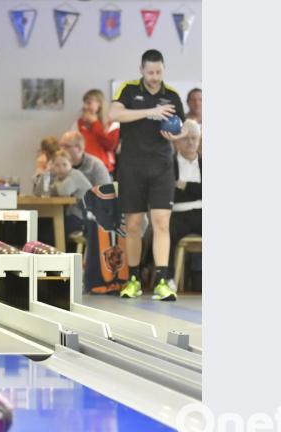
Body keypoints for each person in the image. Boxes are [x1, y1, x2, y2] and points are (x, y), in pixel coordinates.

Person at [109, 49, 187, 301]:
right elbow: (114, 114)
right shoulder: (128, 90)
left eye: (159, 72)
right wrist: (149, 111)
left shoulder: (172, 95)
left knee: (162, 223)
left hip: (162, 167)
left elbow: (183, 129)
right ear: (141, 70)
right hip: (132, 166)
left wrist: (176, 135)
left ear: (164, 69)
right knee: (133, 225)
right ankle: (133, 279)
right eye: (150, 72)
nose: (154, 77)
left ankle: (163, 281)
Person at [33, 150, 92, 251]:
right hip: (70, 215)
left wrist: (53, 185)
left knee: (51, 230)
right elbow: (39, 192)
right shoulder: (59, 178)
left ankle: (56, 261)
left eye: (64, 164)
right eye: (57, 165)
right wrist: (46, 173)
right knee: (42, 224)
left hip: (85, 218)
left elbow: (63, 191)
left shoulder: (75, 175)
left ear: (71, 164)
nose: (61, 168)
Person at [169, 119, 202, 289]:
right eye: (186, 138)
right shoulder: (169, 164)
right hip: (178, 214)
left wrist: (185, 185)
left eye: (194, 138)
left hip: (202, 213)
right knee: (166, 233)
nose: (190, 142)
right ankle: (168, 279)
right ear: (178, 140)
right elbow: (172, 193)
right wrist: (197, 190)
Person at [76, 89, 120, 175]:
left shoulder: (112, 123)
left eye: (89, 103)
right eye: (84, 103)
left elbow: (110, 146)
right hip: (83, 167)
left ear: (99, 104)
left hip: (103, 169)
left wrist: (95, 123)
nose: (85, 107)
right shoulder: (80, 122)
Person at [186, 88, 202, 154]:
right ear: (188, 102)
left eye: (200, 100)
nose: (197, 103)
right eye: (193, 100)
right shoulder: (180, 121)